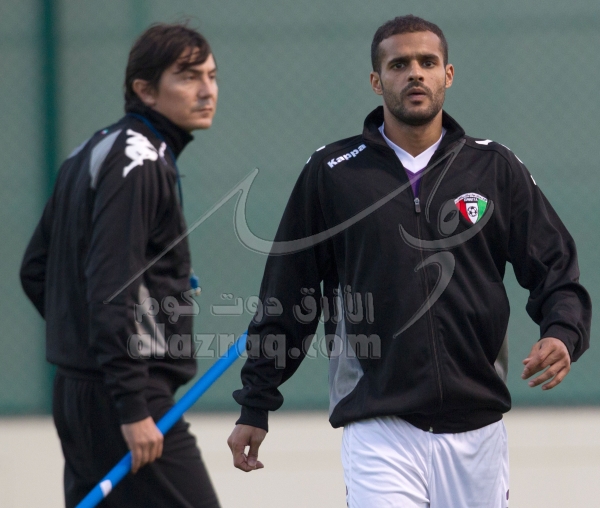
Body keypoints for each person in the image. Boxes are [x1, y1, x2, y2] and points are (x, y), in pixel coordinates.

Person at [227, 15, 591, 508]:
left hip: (477, 427)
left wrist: (562, 332)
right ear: (377, 81)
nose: (415, 73)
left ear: (448, 74)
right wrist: (256, 401)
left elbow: (555, 267)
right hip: (378, 425)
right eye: (399, 65)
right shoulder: (332, 172)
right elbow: (289, 294)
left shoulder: (494, 167)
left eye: (427, 62)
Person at [20, 23, 220, 508]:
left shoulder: (91, 150)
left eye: (211, 76)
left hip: (81, 391)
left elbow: (35, 270)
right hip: (127, 397)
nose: (207, 90)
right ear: (145, 91)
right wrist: (130, 401)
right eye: (188, 77)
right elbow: (113, 286)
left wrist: (88, 348)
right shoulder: (139, 161)